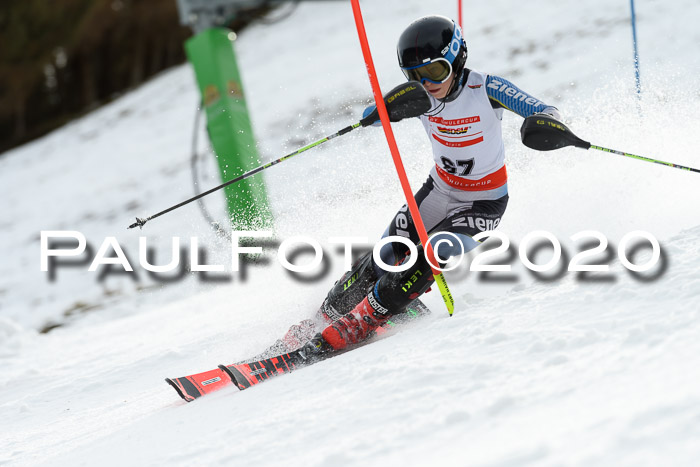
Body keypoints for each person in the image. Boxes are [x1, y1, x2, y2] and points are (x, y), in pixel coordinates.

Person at [274, 14, 563, 358]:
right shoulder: (422, 98)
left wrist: (547, 124)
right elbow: (379, 109)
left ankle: (366, 320)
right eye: (416, 76)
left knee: (434, 250)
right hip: (438, 192)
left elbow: (543, 108)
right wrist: (379, 113)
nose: (427, 83)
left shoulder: (485, 88)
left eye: (436, 71)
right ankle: (325, 317)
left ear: (456, 58)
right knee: (388, 256)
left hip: (483, 203)